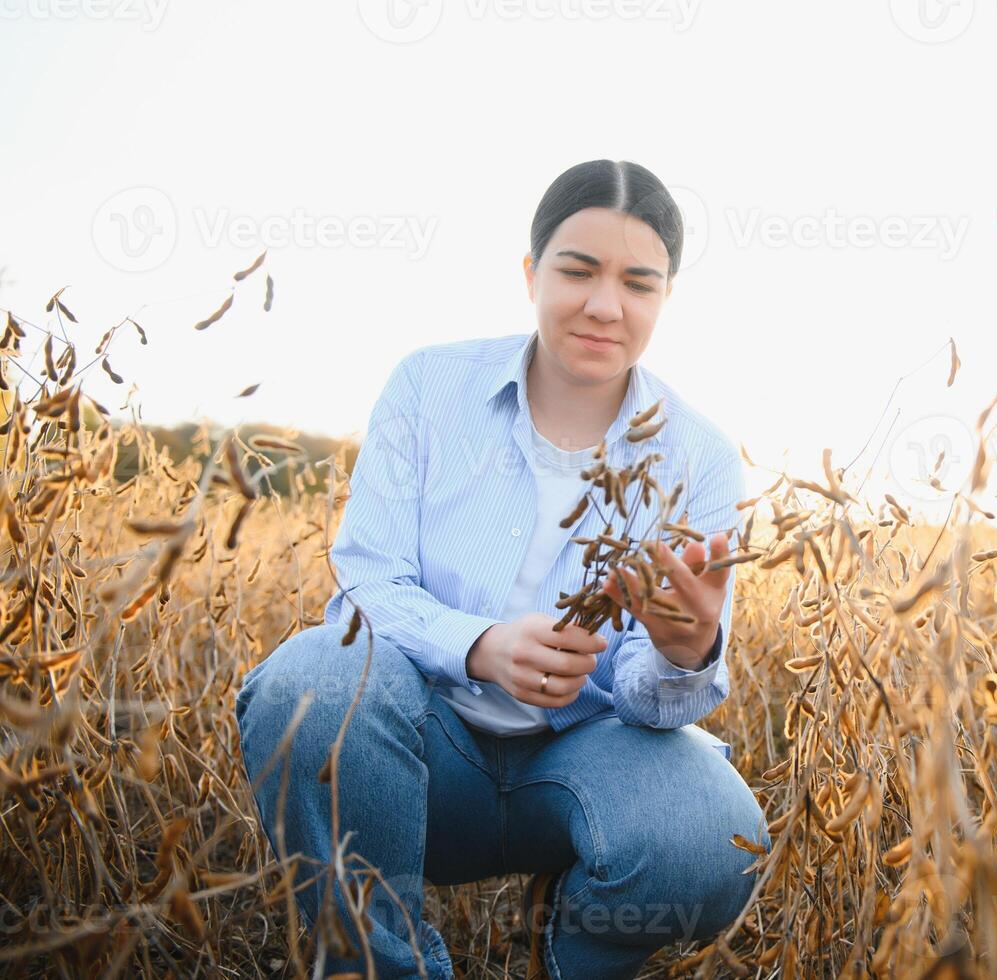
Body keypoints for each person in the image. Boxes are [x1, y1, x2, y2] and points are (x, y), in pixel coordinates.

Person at [234, 160, 769, 980]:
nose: (604, 304)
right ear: (529, 273)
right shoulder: (427, 388)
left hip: (586, 758)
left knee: (709, 840)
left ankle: (572, 955)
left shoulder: (697, 456)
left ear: (664, 298)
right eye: (577, 270)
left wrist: (684, 651)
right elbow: (367, 582)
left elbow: (648, 703)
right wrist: (479, 645)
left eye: (638, 282)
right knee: (309, 680)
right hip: (416, 754)